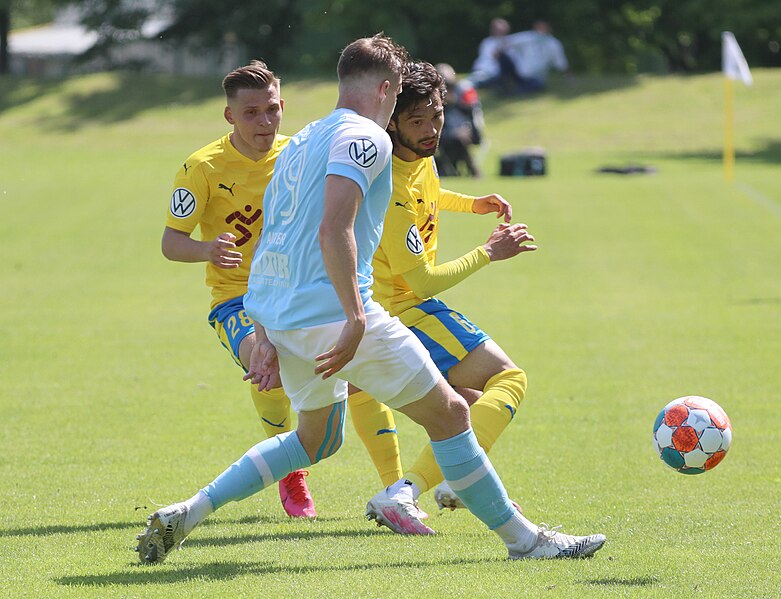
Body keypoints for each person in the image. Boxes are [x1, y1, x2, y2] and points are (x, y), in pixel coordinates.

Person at [135, 34, 605, 565]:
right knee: (451, 413)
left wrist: (264, 330)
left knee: (316, 441)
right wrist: (356, 319)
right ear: (386, 88)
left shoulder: (303, 140)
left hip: (282, 314)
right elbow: (334, 230)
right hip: (335, 315)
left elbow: (273, 239)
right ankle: (528, 542)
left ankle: (189, 511)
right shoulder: (367, 139)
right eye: (399, 89)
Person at [158, 60, 402, 522]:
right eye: (251, 113)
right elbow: (171, 243)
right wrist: (207, 249)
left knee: (362, 373)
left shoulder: (300, 151)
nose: (264, 123)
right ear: (230, 116)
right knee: (263, 367)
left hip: (305, 292)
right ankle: (291, 474)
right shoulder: (202, 167)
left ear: (283, 107)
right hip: (240, 299)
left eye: (272, 110)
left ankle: (396, 487)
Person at [362, 60, 571, 535]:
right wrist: (488, 253)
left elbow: (430, 191)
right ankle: (406, 491)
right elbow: (424, 283)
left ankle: (447, 483)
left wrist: (470, 203)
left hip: (404, 306)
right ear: (392, 121)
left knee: (472, 399)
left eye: (436, 115)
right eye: (418, 121)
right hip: (405, 309)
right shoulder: (389, 187)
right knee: (510, 380)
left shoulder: (419, 157)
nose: (432, 129)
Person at [470, 19, 569, 95]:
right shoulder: (488, 42)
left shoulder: (553, 43)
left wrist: (567, 75)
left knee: (537, 84)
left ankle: (511, 91)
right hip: (489, 72)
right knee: (478, 79)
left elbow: (560, 61)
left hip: (522, 75)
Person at [434, 63, 485, 178]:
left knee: (459, 138)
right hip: (444, 132)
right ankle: (450, 168)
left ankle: (472, 169)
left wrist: (456, 102)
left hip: (467, 129)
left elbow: (473, 113)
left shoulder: (465, 90)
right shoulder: (434, 94)